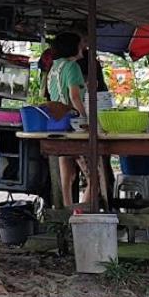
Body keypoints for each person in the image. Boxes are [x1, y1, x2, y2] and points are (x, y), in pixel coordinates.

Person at [45, 31, 91, 208]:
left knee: (67, 176)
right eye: (81, 43)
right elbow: (74, 95)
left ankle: (66, 210)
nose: (83, 47)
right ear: (73, 46)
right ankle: (83, 212)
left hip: (57, 124)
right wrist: (84, 118)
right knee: (94, 178)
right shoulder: (72, 67)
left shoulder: (54, 67)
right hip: (73, 125)